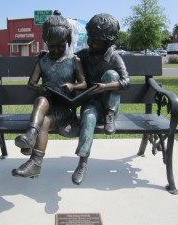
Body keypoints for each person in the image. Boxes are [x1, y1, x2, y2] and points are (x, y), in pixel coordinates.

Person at [12, 12, 87, 178]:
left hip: (65, 110)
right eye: (51, 46)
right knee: (41, 100)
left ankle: (35, 159)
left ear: (67, 41)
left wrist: (73, 85)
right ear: (46, 43)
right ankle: (31, 140)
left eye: (60, 46)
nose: (56, 50)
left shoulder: (74, 60)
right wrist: (40, 88)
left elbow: (84, 84)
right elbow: (31, 83)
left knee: (44, 120)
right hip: (46, 105)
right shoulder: (43, 61)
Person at [71, 13, 130, 185]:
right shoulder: (83, 55)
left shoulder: (114, 57)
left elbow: (126, 81)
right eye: (90, 38)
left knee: (112, 74)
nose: (90, 43)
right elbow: (66, 60)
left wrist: (105, 87)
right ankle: (82, 163)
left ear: (107, 43)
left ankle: (110, 115)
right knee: (88, 117)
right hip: (92, 104)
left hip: (108, 106)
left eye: (95, 41)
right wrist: (48, 54)